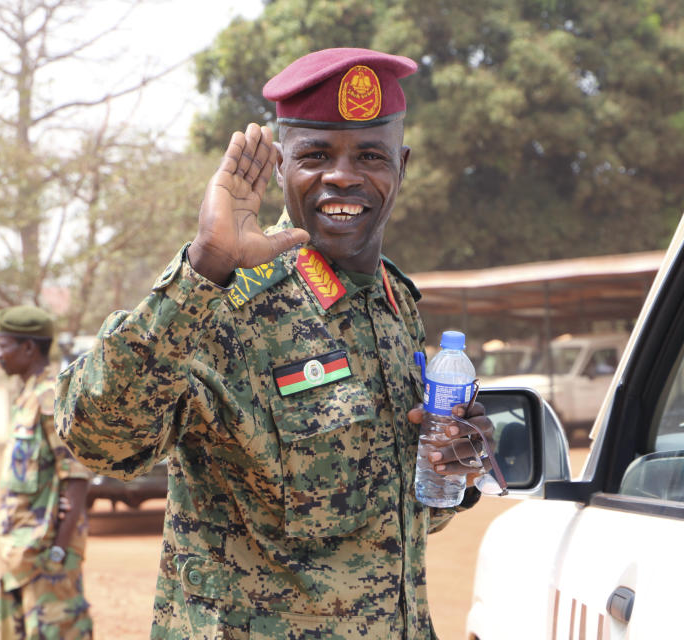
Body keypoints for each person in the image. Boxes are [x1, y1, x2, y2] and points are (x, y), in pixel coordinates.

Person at [55, 48, 494, 639]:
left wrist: (450, 472)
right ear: (281, 167)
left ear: (401, 165)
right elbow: (94, 438)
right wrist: (204, 268)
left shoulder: (396, 306)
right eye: (316, 155)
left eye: (370, 154)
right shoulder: (224, 304)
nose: (343, 175)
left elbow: (386, 525)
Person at [0, 305, 93, 640]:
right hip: (23, 553)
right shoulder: (27, 397)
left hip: (46, 553)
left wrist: (59, 550)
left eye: (2, 346)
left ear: (27, 348)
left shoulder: (51, 396)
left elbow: (76, 476)